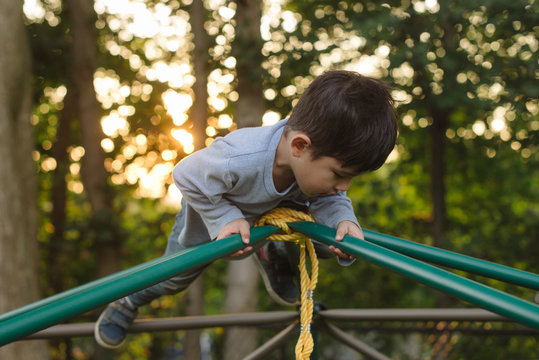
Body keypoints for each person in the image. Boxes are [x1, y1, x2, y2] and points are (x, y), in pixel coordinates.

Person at [94, 70, 398, 349]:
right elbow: (187, 174)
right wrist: (225, 218)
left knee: (333, 239)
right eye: (339, 174)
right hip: (209, 211)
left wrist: (345, 221)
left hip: (266, 214)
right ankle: (126, 301)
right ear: (299, 147)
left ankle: (269, 250)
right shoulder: (240, 156)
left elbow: (330, 201)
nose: (344, 186)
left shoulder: (309, 161)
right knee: (174, 277)